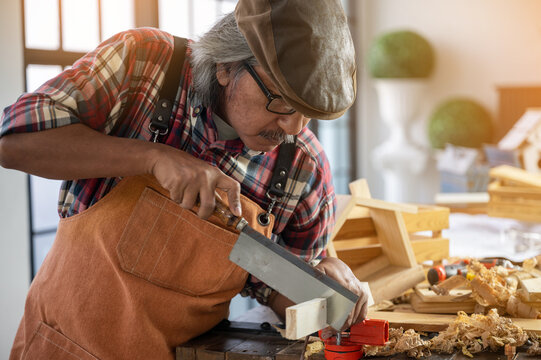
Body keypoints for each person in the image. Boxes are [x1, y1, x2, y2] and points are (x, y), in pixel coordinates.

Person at [0, 0, 369, 358]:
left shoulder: (303, 169)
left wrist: (323, 286)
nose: (292, 127)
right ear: (226, 67)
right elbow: (14, 142)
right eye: (280, 101)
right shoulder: (143, 62)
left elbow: (278, 296)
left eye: (307, 112)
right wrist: (152, 157)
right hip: (59, 346)